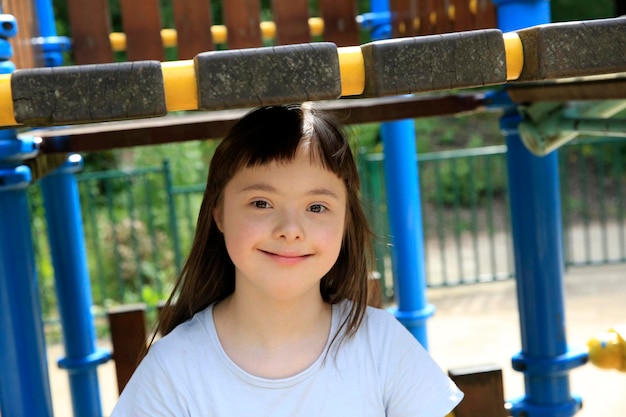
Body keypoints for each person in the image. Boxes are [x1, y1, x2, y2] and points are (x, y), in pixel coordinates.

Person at [111, 104, 463, 416]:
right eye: (261, 203)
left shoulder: (381, 345)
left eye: (316, 207)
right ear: (218, 212)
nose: (290, 230)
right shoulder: (173, 370)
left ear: (345, 221)